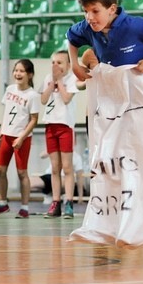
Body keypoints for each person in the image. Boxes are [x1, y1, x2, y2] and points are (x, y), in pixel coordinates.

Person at [67, 0, 143, 248]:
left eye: (95, 11)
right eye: (85, 11)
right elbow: (71, 37)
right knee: (108, 160)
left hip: (137, 102)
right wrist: (74, 64)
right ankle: (109, 221)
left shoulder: (135, 25)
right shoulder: (87, 27)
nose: (89, 17)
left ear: (112, 8)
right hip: (109, 102)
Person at [0, 59, 42, 219]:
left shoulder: (32, 95)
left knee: (22, 172)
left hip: (21, 138)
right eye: (16, 70)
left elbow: (34, 120)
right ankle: (2, 203)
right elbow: (7, 113)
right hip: (7, 135)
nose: (17, 74)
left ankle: (24, 207)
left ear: (29, 74)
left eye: (21, 71)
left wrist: (21, 138)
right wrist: (1, 130)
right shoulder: (10, 89)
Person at [40, 50, 79, 219]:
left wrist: (60, 81)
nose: (55, 66)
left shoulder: (72, 79)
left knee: (67, 167)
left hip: (65, 127)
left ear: (68, 66)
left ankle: (69, 202)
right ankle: (55, 202)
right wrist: (51, 83)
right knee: (55, 168)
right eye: (53, 62)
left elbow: (66, 98)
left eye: (60, 63)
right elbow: (43, 100)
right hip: (50, 126)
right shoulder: (48, 78)